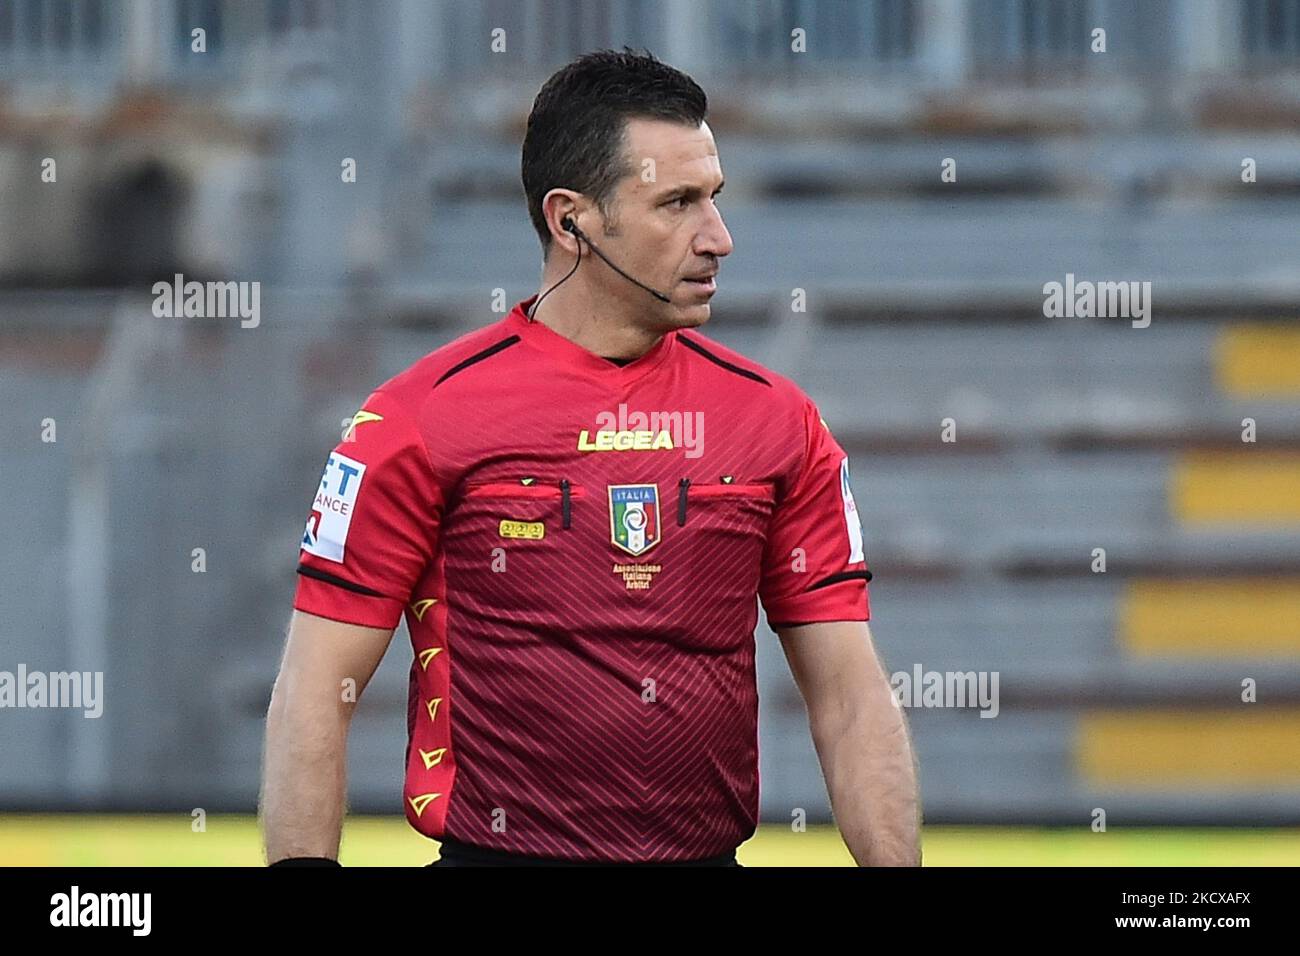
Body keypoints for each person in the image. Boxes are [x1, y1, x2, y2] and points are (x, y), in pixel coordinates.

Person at [261, 48, 921, 868]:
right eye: (676, 204)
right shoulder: (415, 420)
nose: (719, 238)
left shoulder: (777, 421)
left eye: (713, 198)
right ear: (571, 219)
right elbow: (316, 690)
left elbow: (850, 696)